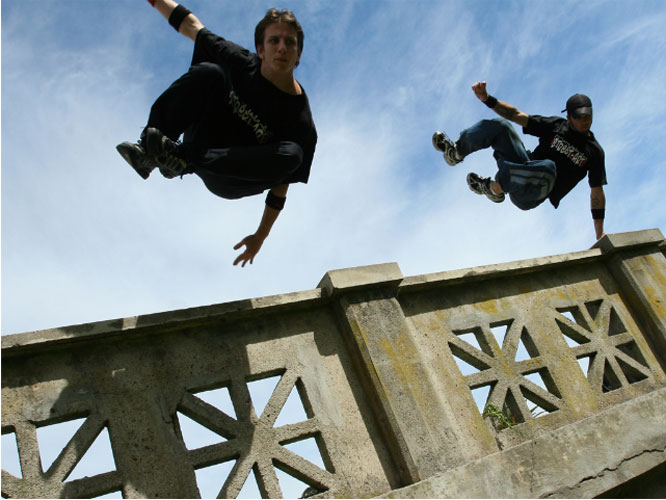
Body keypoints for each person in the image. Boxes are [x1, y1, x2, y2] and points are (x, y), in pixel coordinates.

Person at [117, 0, 317, 266]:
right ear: (261, 49)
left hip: (229, 176)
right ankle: (150, 152)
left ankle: (184, 159)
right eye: (274, 41)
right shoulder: (239, 61)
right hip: (203, 139)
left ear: (299, 54)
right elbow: (191, 26)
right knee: (210, 72)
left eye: (290, 43)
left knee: (294, 155)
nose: (282, 48)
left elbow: (280, 189)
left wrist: (260, 237)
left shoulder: (301, 121)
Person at [432, 81, 607, 241]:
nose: (585, 121)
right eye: (579, 118)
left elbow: (596, 193)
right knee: (501, 126)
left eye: (588, 117)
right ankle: (455, 152)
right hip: (521, 170)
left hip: (534, 192)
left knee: (549, 167)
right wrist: (487, 99)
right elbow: (516, 115)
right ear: (569, 117)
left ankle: (494, 188)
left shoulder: (594, 152)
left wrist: (599, 234)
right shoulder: (556, 125)